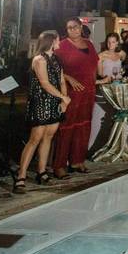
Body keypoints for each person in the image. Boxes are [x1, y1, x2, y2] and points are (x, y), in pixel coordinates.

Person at [14, 32, 69, 193]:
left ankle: (42, 172)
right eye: (58, 39)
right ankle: (21, 176)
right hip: (41, 102)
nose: (60, 41)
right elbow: (44, 83)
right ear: (51, 41)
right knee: (35, 138)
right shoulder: (39, 59)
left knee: (49, 137)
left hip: (54, 102)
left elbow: (61, 80)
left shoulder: (56, 59)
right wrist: (63, 97)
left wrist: (63, 98)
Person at [51, 17, 99, 179]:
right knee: (66, 126)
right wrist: (69, 78)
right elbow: (53, 68)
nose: (73, 30)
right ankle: (59, 165)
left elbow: (94, 66)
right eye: (69, 28)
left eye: (75, 27)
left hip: (88, 91)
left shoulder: (89, 44)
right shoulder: (62, 46)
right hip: (70, 92)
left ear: (81, 27)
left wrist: (95, 83)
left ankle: (77, 161)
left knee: (84, 125)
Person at [90, 33, 125, 150]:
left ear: (117, 43)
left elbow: (123, 68)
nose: (111, 44)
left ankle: (109, 146)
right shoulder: (101, 56)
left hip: (116, 89)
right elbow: (99, 74)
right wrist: (107, 78)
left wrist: (120, 76)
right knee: (99, 118)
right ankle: (92, 147)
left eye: (113, 42)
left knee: (112, 118)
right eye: (109, 42)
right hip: (104, 88)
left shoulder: (120, 54)